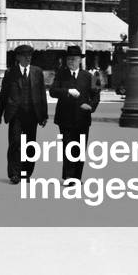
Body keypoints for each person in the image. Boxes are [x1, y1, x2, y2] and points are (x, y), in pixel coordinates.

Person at [0, 45, 48, 185]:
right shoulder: (10, 73)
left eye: (30, 56)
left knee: (30, 144)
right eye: (25, 56)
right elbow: (4, 94)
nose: (28, 58)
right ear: (18, 57)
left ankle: (26, 173)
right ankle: (14, 174)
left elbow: (42, 94)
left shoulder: (37, 72)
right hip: (15, 114)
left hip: (32, 114)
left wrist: (44, 115)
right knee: (15, 143)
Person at [50, 46, 100, 183]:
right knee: (67, 147)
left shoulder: (89, 76)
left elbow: (96, 94)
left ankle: (77, 177)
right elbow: (53, 91)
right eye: (68, 59)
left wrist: (90, 106)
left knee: (80, 148)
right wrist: (66, 91)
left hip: (82, 118)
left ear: (79, 60)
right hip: (64, 118)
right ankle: (68, 176)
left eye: (73, 59)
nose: (70, 61)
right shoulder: (61, 74)